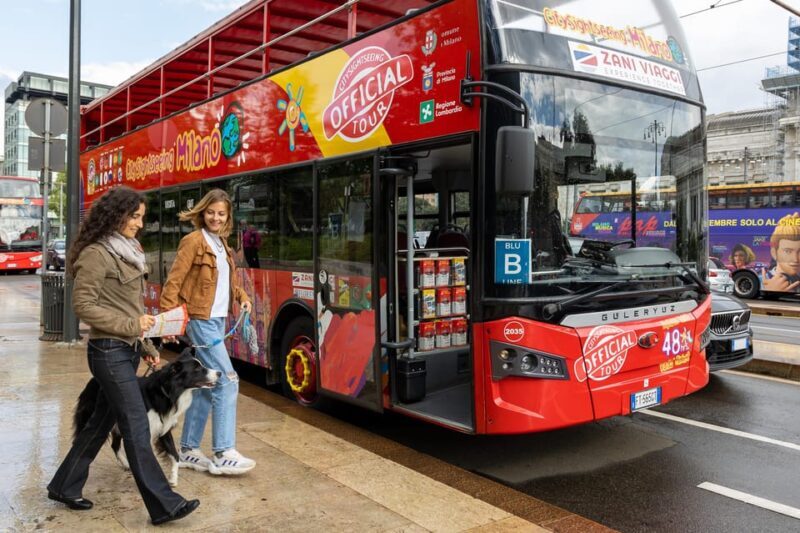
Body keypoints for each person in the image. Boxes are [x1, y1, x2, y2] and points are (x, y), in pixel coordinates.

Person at [47, 186, 199, 526]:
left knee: (99, 424)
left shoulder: (128, 251)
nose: (139, 224)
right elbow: (83, 306)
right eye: (134, 216)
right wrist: (132, 324)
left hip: (127, 351)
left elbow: (128, 307)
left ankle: (64, 485)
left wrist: (145, 345)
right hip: (107, 353)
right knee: (134, 425)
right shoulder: (95, 254)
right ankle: (164, 504)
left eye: (142, 217)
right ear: (115, 215)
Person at [160, 189, 255, 475]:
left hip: (216, 320)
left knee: (204, 386)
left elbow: (225, 282)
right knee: (227, 379)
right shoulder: (193, 241)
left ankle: (188, 450)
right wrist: (168, 320)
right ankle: (224, 451)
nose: (215, 217)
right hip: (199, 319)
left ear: (227, 217)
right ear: (203, 213)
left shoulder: (222, 244)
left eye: (221, 213)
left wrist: (242, 297)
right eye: (211, 212)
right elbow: (174, 281)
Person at [761, 212, 800, 293]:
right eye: (787, 251)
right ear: (774, 253)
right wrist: (770, 291)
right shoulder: (761, 279)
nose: (795, 259)